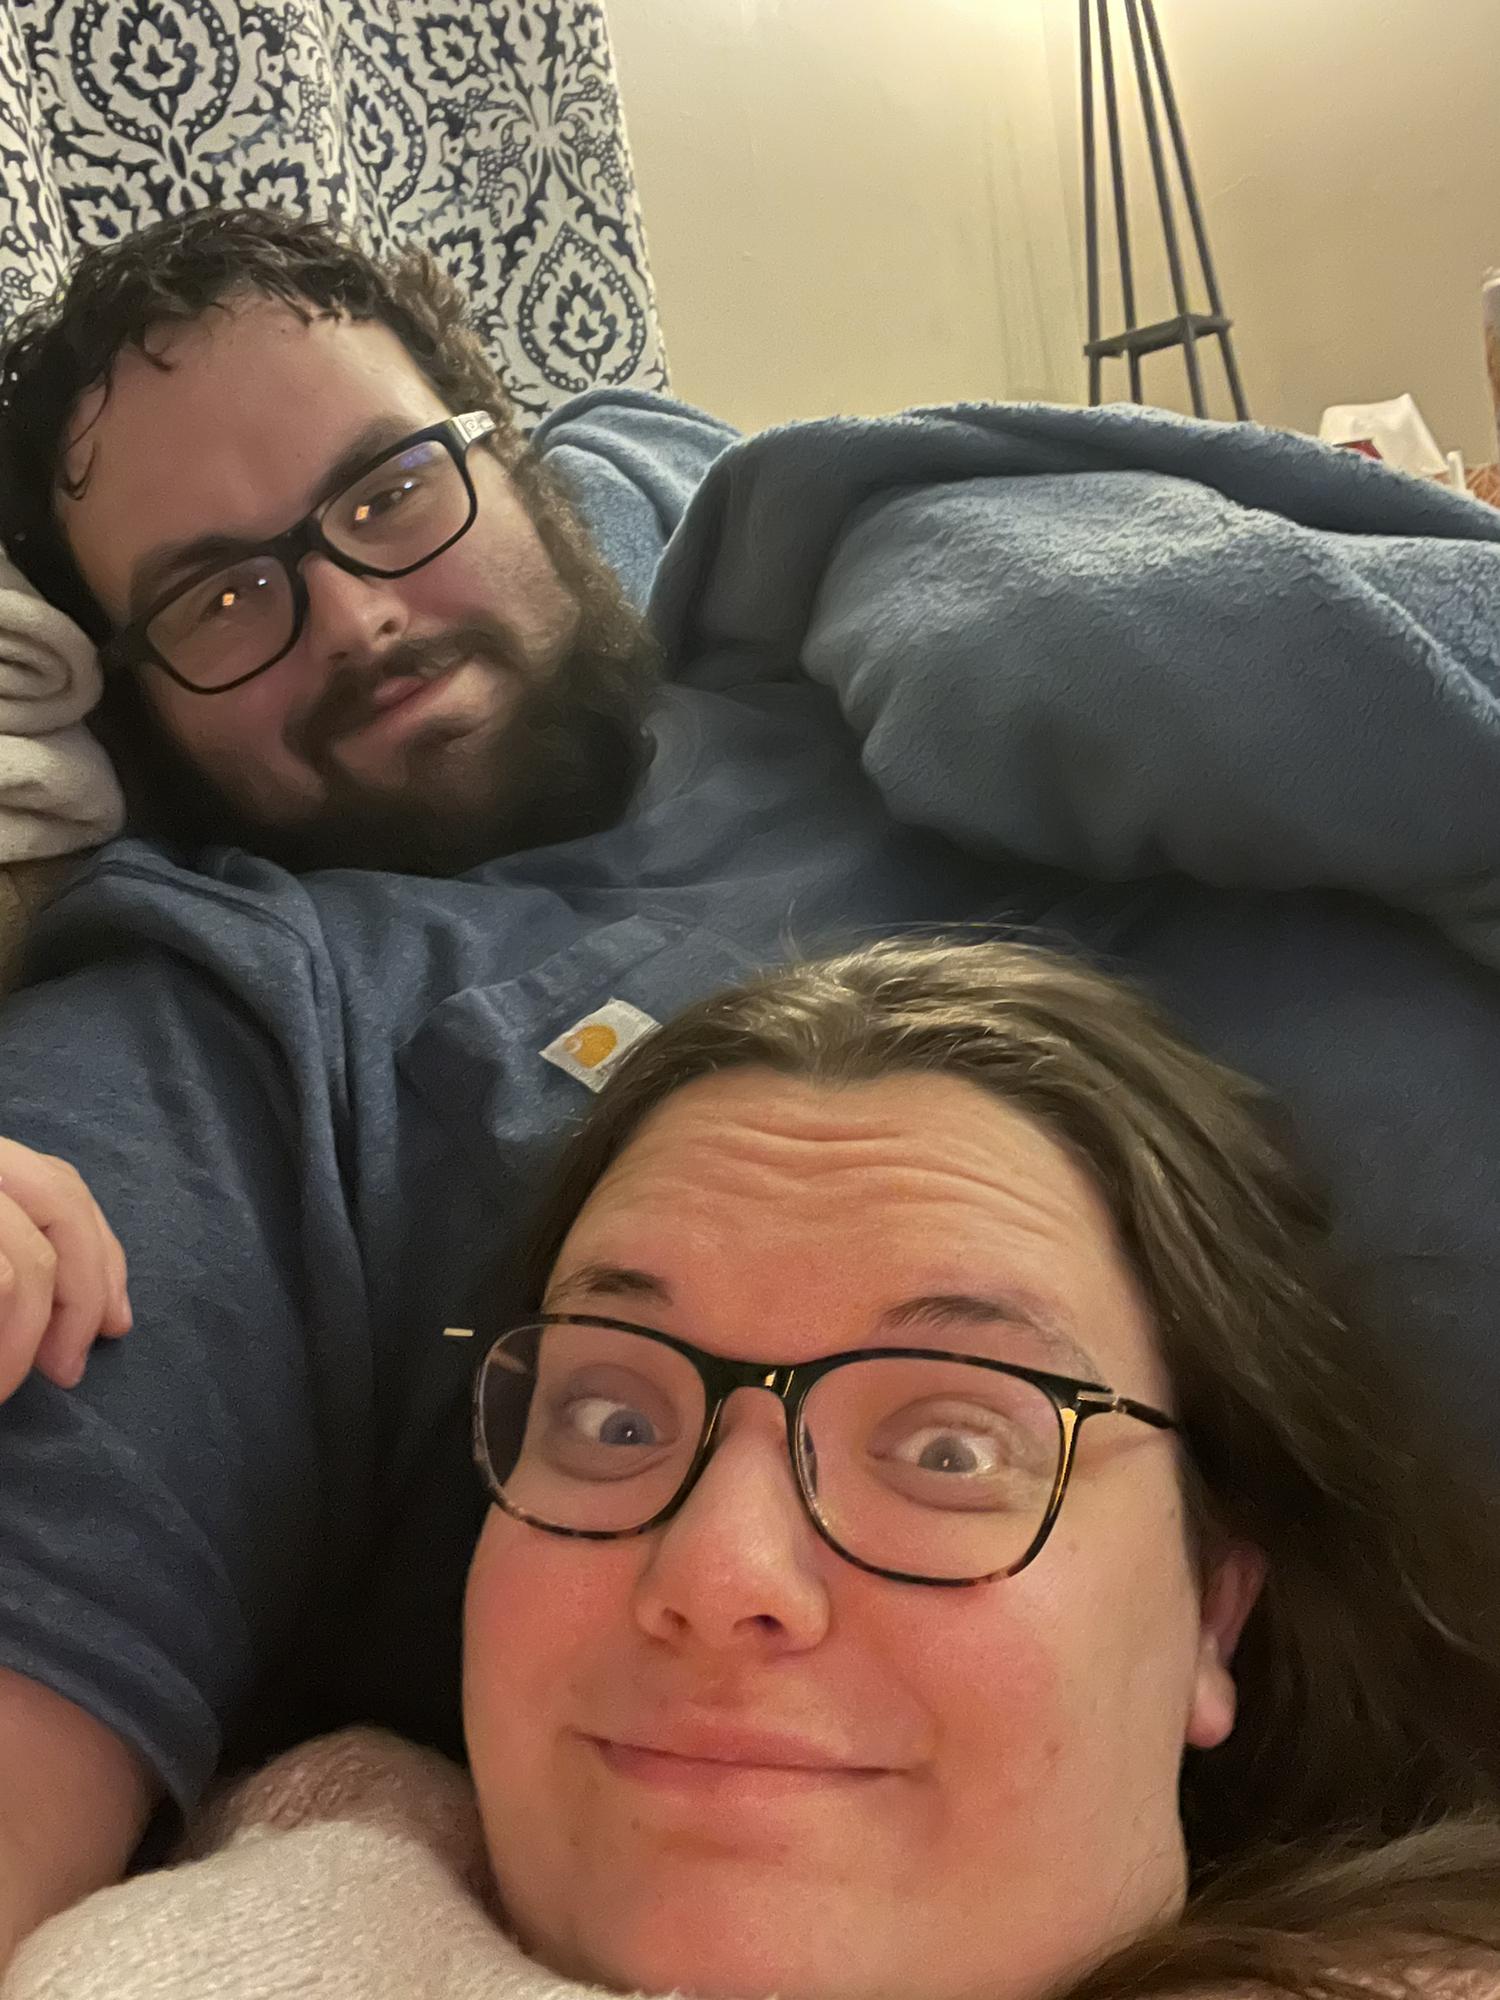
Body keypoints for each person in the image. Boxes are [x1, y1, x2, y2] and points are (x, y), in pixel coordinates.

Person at [1, 204, 1499, 1969]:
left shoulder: (846, 653)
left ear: (514, 459)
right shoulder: (228, 1019)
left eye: (392, 491)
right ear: (143, 708)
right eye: (223, 597)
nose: (358, 612)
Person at [6, 938, 1498, 2000]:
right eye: (613, 1420)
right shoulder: (309, 1857)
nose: (721, 1575)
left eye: (950, 1445)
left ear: (1216, 1610)